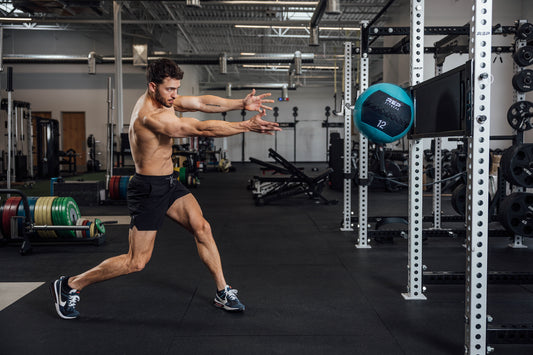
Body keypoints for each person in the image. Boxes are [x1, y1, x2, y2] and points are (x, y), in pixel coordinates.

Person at [50, 58, 281, 319]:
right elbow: (199, 128)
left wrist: (241, 104)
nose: (175, 95)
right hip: (148, 189)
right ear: (152, 86)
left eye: (176, 88)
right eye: (170, 89)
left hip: (169, 182)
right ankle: (70, 284)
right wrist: (245, 126)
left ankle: (222, 291)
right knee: (136, 262)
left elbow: (202, 103)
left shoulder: (166, 99)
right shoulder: (149, 116)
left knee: (202, 228)